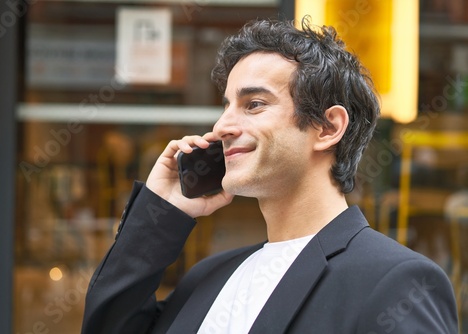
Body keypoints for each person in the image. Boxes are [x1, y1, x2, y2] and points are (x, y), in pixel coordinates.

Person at [81, 17, 458, 333]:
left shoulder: (396, 282)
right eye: (226, 106)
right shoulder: (208, 277)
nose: (222, 125)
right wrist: (160, 212)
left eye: (254, 104)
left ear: (328, 128)